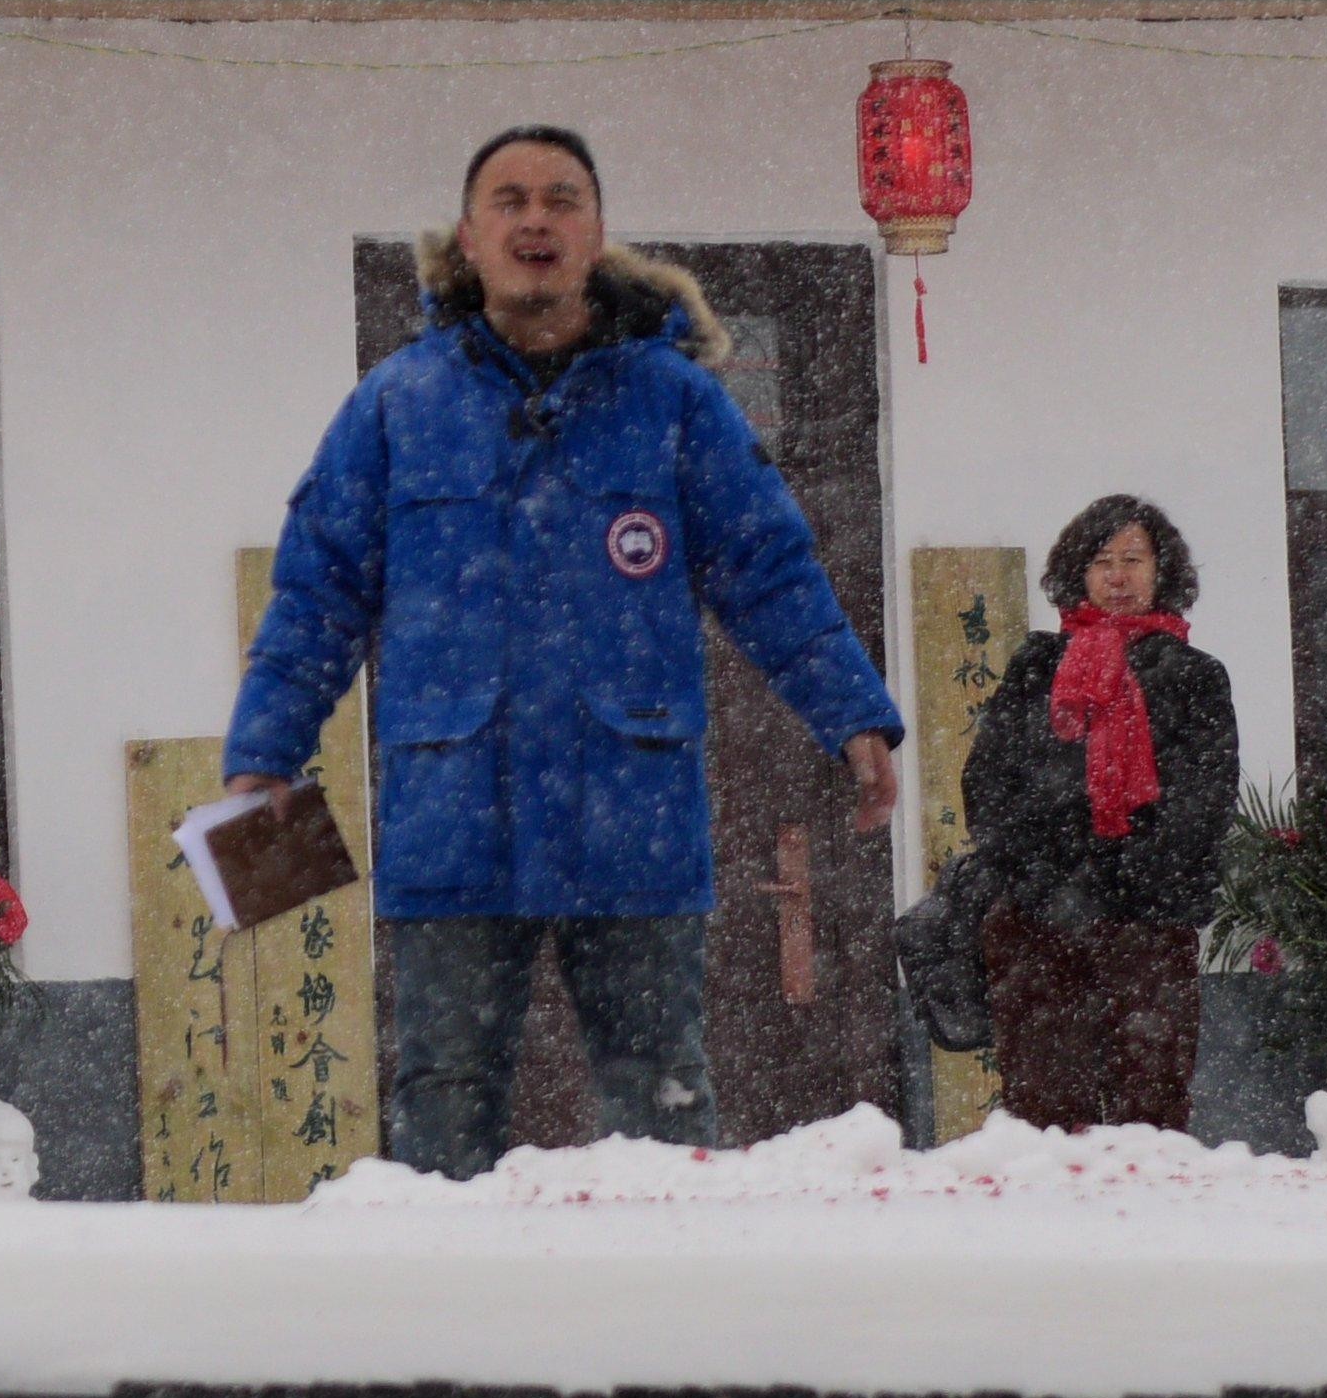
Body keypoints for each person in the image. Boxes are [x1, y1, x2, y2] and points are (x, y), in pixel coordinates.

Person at [222, 124, 905, 1177]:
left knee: (661, 1095)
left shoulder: (675, 402)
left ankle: (658, 1338)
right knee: (443, 1104)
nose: (534, 218)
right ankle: (450, 1342)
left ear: (597, 232)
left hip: (632, 811)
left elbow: (769, 568)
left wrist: (852, 714)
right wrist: (265, 752)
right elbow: (318, 592)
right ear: (468, 235)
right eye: (508, 199)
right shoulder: (398, 405)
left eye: (560, 198)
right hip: (450, 810)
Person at [948, 495, 1239, 1131]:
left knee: (1150, 1107)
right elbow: (989, 782)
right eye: (1102, 561)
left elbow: (1206, 797)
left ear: (1163, 572)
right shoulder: (1037, 666)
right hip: (1038, 919)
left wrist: (1137, 875)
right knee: (1044, 1109)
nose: (1117, 576)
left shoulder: (1195, 676)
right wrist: (1042, 870)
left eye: (1133, 559)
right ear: (1076, 573)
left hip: (1150, 920)